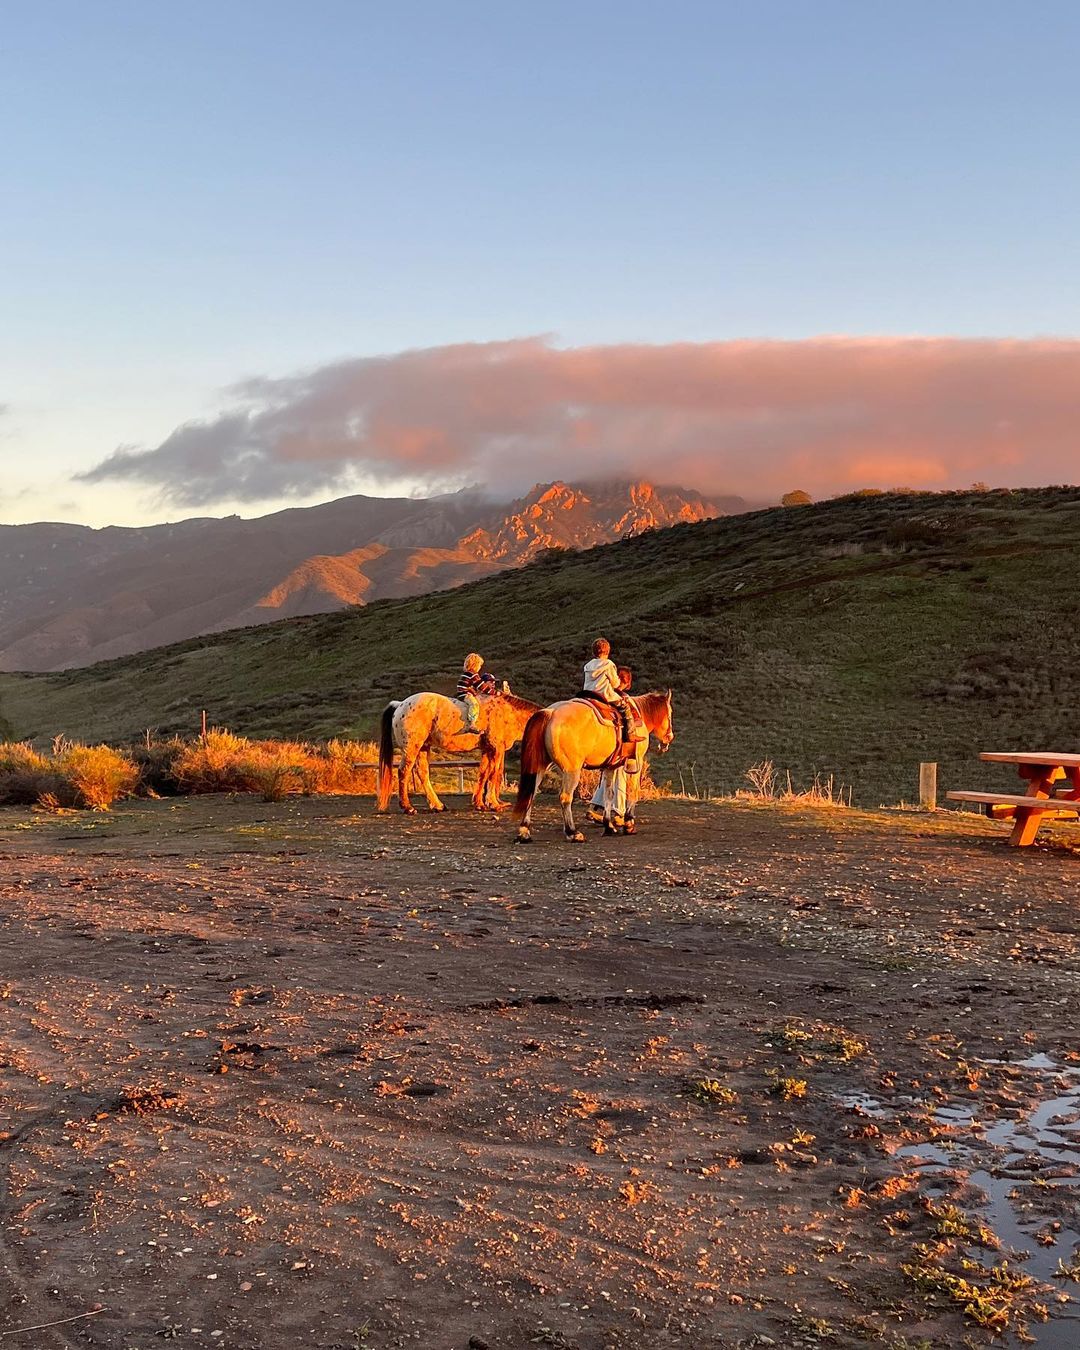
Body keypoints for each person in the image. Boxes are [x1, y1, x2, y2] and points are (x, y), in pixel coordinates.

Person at [587, 667, 634, 821]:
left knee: (608, 776)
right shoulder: (620, 698)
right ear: (624, 681)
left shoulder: (598, 692)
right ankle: (618, 811)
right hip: (616, 744)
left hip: (603, 745)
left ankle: (595, 805)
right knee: (619, 773)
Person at [581, 637, 635, 745]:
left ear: (593, 652)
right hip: (603, 695)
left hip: (587, 694)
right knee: (625, 707)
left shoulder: (588, 665)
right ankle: (630, 734)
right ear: (608, 651)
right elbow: (615, 684)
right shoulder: (608, 664)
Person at [457, 652, 498, 731]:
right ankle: (472, 724)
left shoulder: (466, 674)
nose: (480, 667)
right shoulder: (473, 675)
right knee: (474, 704)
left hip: (462, 693)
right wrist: (494, 692)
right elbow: (482, 687)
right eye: (479, 665)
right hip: (465, 694)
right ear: (475, 665)